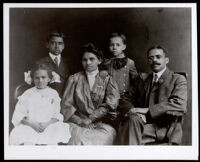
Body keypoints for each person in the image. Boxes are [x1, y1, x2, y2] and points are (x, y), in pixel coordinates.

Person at [117, 45, 187, 145]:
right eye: (151, 58)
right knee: (130, 122)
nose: (154, 60)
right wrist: (134, 112)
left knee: (127, 134)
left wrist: (147, 111)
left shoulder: (178, 79)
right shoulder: (142, 79)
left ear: (166, 60)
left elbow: (180, 104)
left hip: (164, 128)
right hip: (141, 126)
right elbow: (125, 99)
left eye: (158, 57)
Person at [61, 43, 120, 145]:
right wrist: (80, 121)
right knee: (76, 138)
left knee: (102, 138)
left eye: (92, 59)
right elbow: (66, 105)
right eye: (84, 60)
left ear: (99, 60)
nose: (88, 62)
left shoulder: (107, 79)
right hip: (77, 123)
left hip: (101, 123)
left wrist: (91, 119)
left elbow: (111, 104)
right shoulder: (74, 79)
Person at [10, 64, 71, 145]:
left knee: (59, 129)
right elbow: (19, 114)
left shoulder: (53, 93)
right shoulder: (28, 93)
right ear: (33, 79)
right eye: (37, 78)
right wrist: (32, 124)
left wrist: (47, 124)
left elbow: (56, 114)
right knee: (22, 133)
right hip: (31, 124)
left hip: (48, 124)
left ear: (49, 78)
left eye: (43, 77)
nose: (40, 80)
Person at [24, 31, 70, 97]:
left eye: (60, 43)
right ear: (47, 45)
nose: (57, 46)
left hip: (66, 101)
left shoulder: (69, 63)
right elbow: (36, 87)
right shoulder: (39, 63)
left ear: (63, 46)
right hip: (47, 100)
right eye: (53, 43)